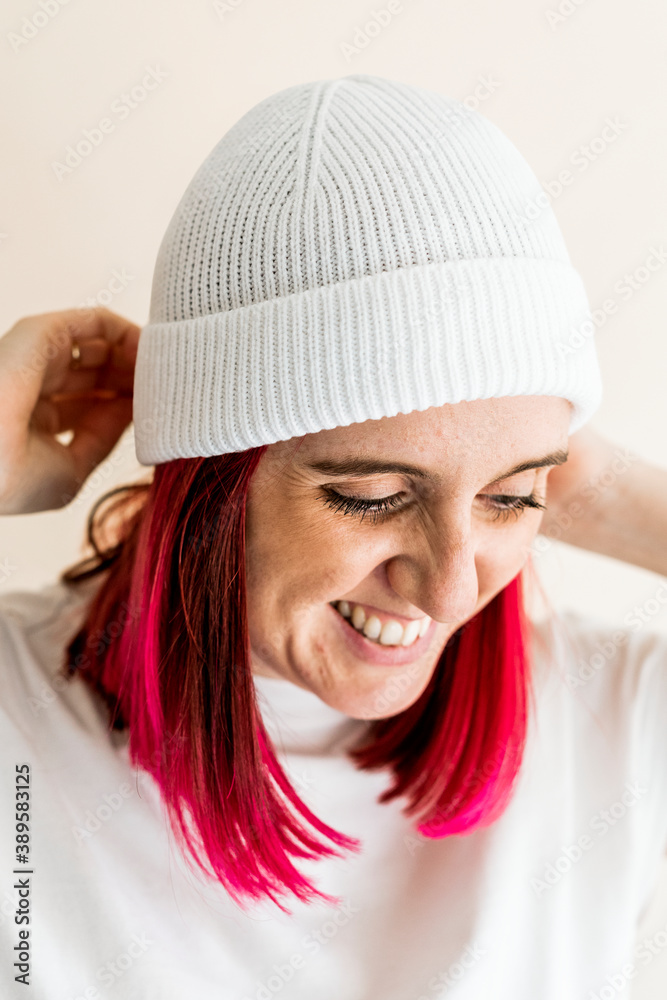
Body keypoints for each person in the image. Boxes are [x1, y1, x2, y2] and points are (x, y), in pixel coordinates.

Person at [1, 73, 667, 1000]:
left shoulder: (615, 726)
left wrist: (602, 491)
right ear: (211, 487)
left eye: (512, 498)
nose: (446, 593)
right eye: (371, 495)